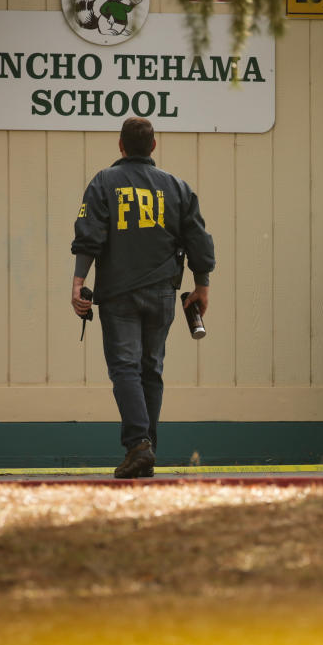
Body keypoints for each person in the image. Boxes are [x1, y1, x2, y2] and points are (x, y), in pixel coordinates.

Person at [71, 117, 216, 478]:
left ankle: (139, 446)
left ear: (120, 145)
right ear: (153, 147)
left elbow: (90, 233)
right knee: (151, 368)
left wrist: (78, 281)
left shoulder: (104, 182)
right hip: (162, 293)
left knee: (125, 367)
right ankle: (146, 449)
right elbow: (198, 237)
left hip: (119, 293)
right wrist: (202, 285)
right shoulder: (177, 188)